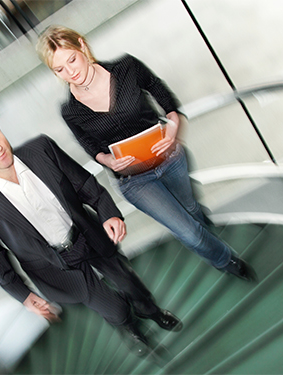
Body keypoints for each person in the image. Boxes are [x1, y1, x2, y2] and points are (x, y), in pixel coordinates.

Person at [36, 25, 256, 282]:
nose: (70, 72)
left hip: (170, 159)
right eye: (59, 69)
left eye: (71, 59)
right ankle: (226, 260)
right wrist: (108, 160)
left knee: (192, 210)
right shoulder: (70, 110)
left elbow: (163, 95)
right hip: (134, 181)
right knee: (189, 232)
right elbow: (89, 145)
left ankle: (204, 228)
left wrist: (173, 127)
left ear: (82, 47)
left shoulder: (127, 67)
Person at [0, 114, 182, 356]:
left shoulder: (41, 148)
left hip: (87, 235)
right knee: (114, 310)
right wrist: (23, 295)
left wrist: (108, 214)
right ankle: (131, 329)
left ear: (0, 128)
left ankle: (150, 310)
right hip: (54, 266)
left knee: (129, 281)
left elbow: (84, 184)